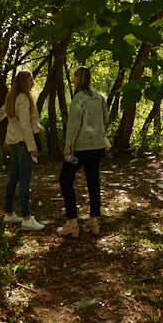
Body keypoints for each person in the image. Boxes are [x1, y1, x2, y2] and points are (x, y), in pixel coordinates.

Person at [58, 65, 109, 238]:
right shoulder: (99, 97)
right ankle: (94, 219)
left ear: (79, 79)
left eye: (75, 78)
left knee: (65, 179)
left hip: (80, 149)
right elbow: (106, 118)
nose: (74, 81)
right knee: (93, 181)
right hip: (97, 147)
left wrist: (67, 149)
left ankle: (72, 221)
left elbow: (73, 126)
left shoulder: (79, 99)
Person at [1, 69, 46, 231]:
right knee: (25, 179)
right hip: (23, 142)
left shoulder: (11, 97)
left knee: (14, 177)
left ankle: (9, 213)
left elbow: (2, 112)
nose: (33, 83)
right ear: (23, 82)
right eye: (30, 80)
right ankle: (27, 218)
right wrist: (32, 147)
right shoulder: (24, 99)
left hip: (13, 141)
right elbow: (26, 126)